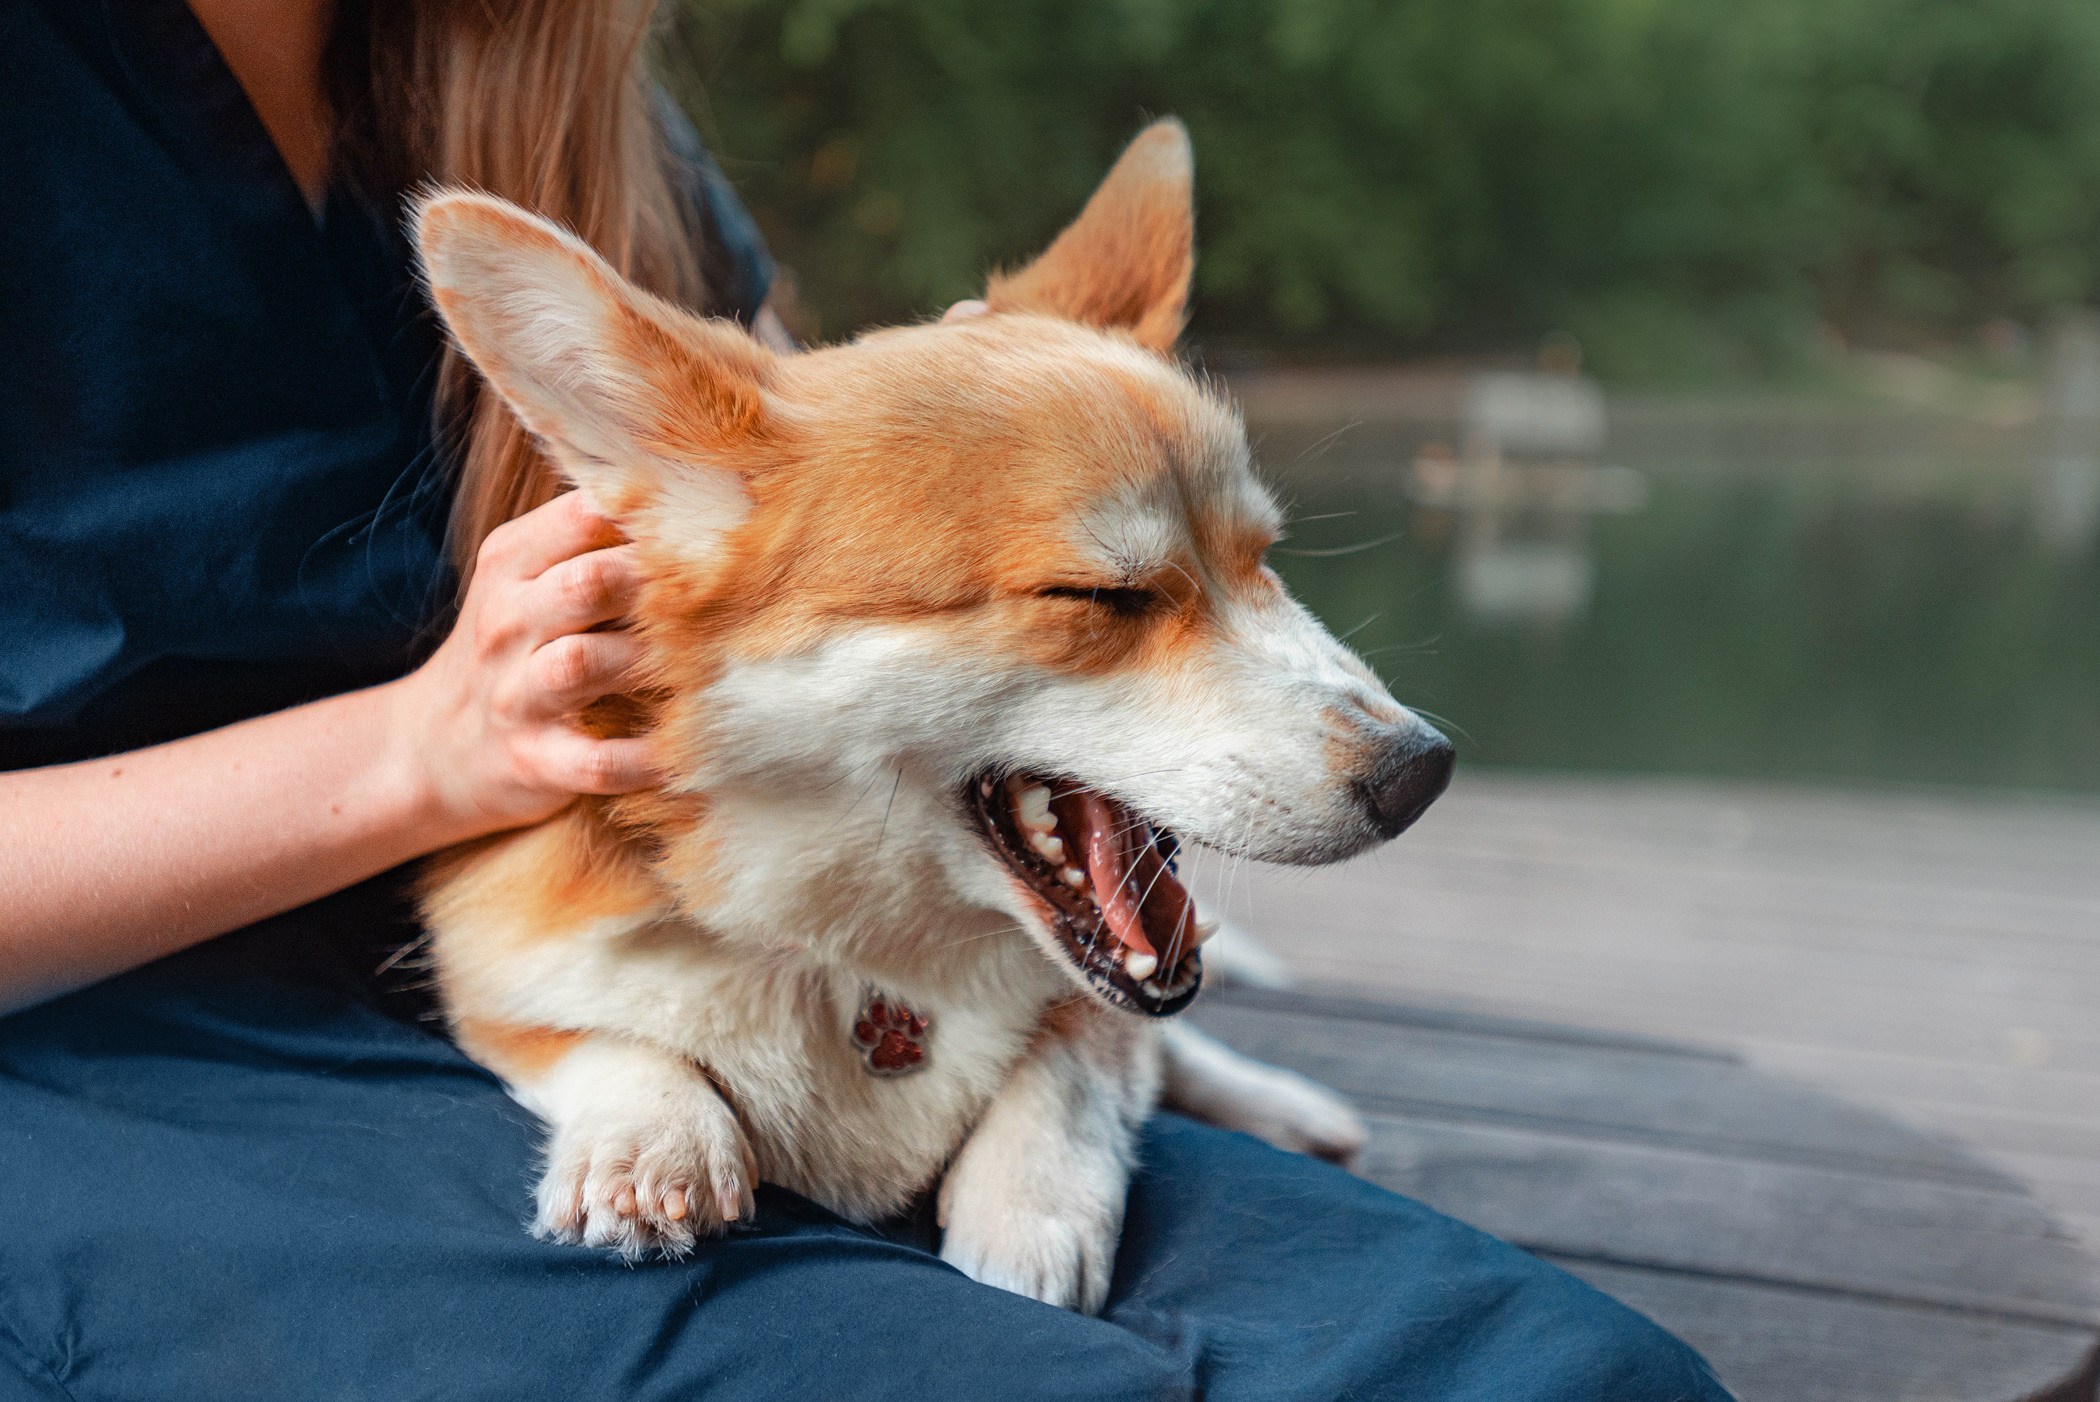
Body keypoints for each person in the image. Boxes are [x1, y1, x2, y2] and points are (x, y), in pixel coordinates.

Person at [0, 2, 1733, 1398]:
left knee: (1563, 1374)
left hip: (749, 985)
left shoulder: (545, 81)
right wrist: (414, 749)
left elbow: (838, 523)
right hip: (129, 1071)